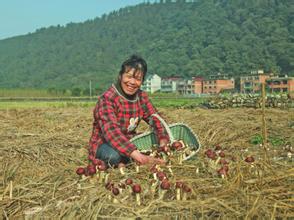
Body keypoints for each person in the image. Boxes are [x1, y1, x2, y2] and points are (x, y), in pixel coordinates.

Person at [88, 55, 170, 168]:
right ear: (120, 76)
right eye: (129, 76)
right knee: (113, 156)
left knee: (153, 139)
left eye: (137, 79)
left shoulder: (141, 97)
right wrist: (140, 157)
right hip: (105, 144)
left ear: (142, 81)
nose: (132, 82)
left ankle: (127, 160)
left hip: (130, 142)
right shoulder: (108, 99)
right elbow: (112, 133)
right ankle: (127, 160)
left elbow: (156, 119)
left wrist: (163, 141)